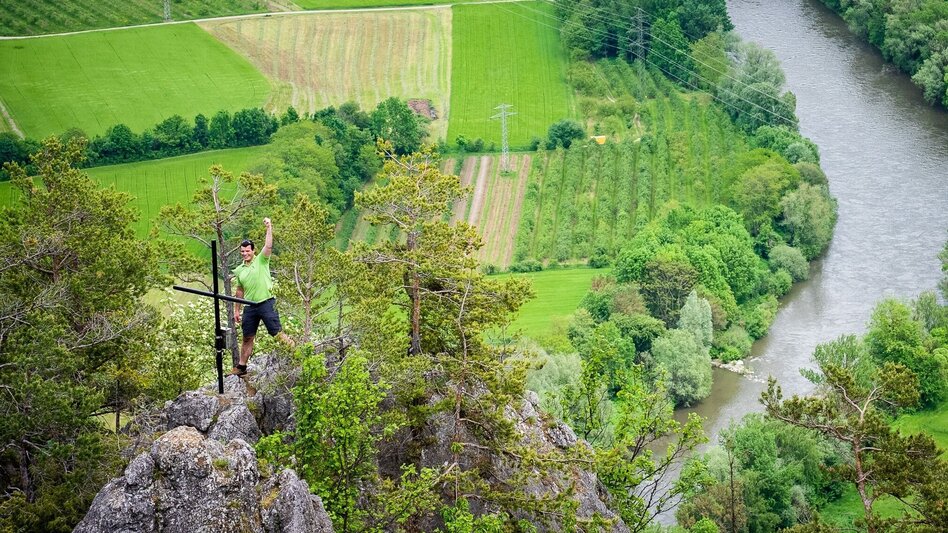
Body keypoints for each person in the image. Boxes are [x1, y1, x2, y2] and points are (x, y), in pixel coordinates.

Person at [232, 217, 292, 376]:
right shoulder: (239, 270)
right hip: (250, 307)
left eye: (247, 251)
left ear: (253, 251)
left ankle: (297, 353)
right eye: (242, 251)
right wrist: (236, 310)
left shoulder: (262, 260)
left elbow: (269, 245)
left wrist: (269, 227)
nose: (245, 253)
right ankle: (241, 367)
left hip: (266, 303)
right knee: (247, 337)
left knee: (277, 333)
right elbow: (239, 290)